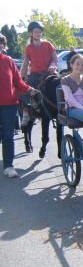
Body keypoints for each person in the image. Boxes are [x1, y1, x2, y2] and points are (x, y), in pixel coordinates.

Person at [0, 33, 36, 178]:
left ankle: (8, 166)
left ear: (3, 45)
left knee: (8, 136)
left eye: (1, 43)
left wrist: (28, 89)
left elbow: (17, 81)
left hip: (8, 104)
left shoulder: (8, 61)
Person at [20, 21, 58, 126]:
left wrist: (52, 67)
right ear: (30, 33)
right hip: (36, 73)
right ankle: (26, 113)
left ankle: (65, 107)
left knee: (62, 83)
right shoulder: (29, 48)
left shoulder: (48, 44)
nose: (38, 33)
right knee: (26, 89)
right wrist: (21, 76)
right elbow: (26, 63)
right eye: (36, 31)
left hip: (49, 72)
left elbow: (55, 58)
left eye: (40, 31)